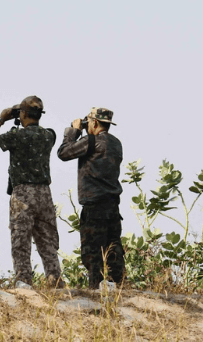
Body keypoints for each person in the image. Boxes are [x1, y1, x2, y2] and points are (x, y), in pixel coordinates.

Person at [0, 96, 64, 287]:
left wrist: (1, 119)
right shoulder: (49, 136)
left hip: (23, 193)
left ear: (22, 113)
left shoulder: (16, 136)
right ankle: (54, 279)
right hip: (45, 193)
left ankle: (24, 280)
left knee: (20, 238)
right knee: (47, 239)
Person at [57, 107, 124, 289]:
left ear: (94, 123)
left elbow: (63, 153)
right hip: (113, 207)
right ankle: (117, 286)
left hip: (94, 207)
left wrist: (74, 131)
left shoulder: (91, 141)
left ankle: (95, 289)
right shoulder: (116, 143)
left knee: (93, 253)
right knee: (113, 250)